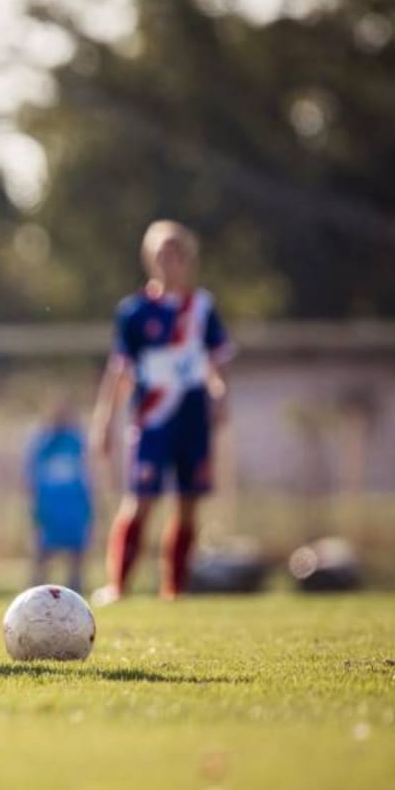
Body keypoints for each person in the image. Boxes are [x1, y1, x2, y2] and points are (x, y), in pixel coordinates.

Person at [89, 220, 233, 604]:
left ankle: (175, 589)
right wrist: (104, 419)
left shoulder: (202, 308)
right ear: (150, 259)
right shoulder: (134, 312)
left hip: (192, 421)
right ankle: (119, 586)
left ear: (188, 260)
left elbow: (217, 363)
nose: (169, 262)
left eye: (176, 254)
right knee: (140, 502)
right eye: (161, 255)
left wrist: (220, 395)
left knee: (187, 506)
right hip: (151, 422)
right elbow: (120, 370)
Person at [23, 395, 93, 592]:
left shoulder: (76, 441)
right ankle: (35, 590)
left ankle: (76, 589)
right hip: (49, 505)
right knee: (43, 551)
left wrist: (89, 503)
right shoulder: (42, 442)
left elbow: (86, 472)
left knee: (76, 551)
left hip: (73, 505)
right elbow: (30, 473)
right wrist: (33, 503)